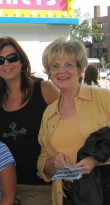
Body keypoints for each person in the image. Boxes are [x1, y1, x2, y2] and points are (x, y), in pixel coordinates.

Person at [0, 36, 59, 205]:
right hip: (3, 187)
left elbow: (69, 122)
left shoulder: (44, 89)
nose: (7, 64)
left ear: (22, 61)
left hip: (39, 187)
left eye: (12, 57)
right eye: (0, 60)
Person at [37, 37, 110, 205]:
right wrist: (53, 163)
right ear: (49, 73)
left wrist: (95, 159)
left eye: (69, 65)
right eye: (55, 66)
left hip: (103, 194)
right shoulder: (49, 113)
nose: (62, 71)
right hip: (66, 197)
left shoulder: (104, 99)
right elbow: (43, 159)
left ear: (80, 68)